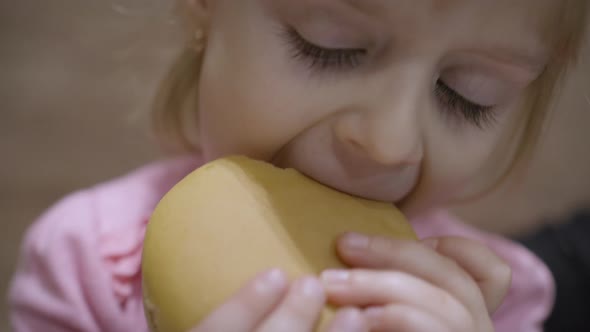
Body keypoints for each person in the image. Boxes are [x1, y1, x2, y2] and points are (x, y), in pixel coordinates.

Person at [8, 0, 588, 331]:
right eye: (329, 46)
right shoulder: (84, 267)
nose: (390, 141)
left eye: (467, 94)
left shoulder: (489, 301)